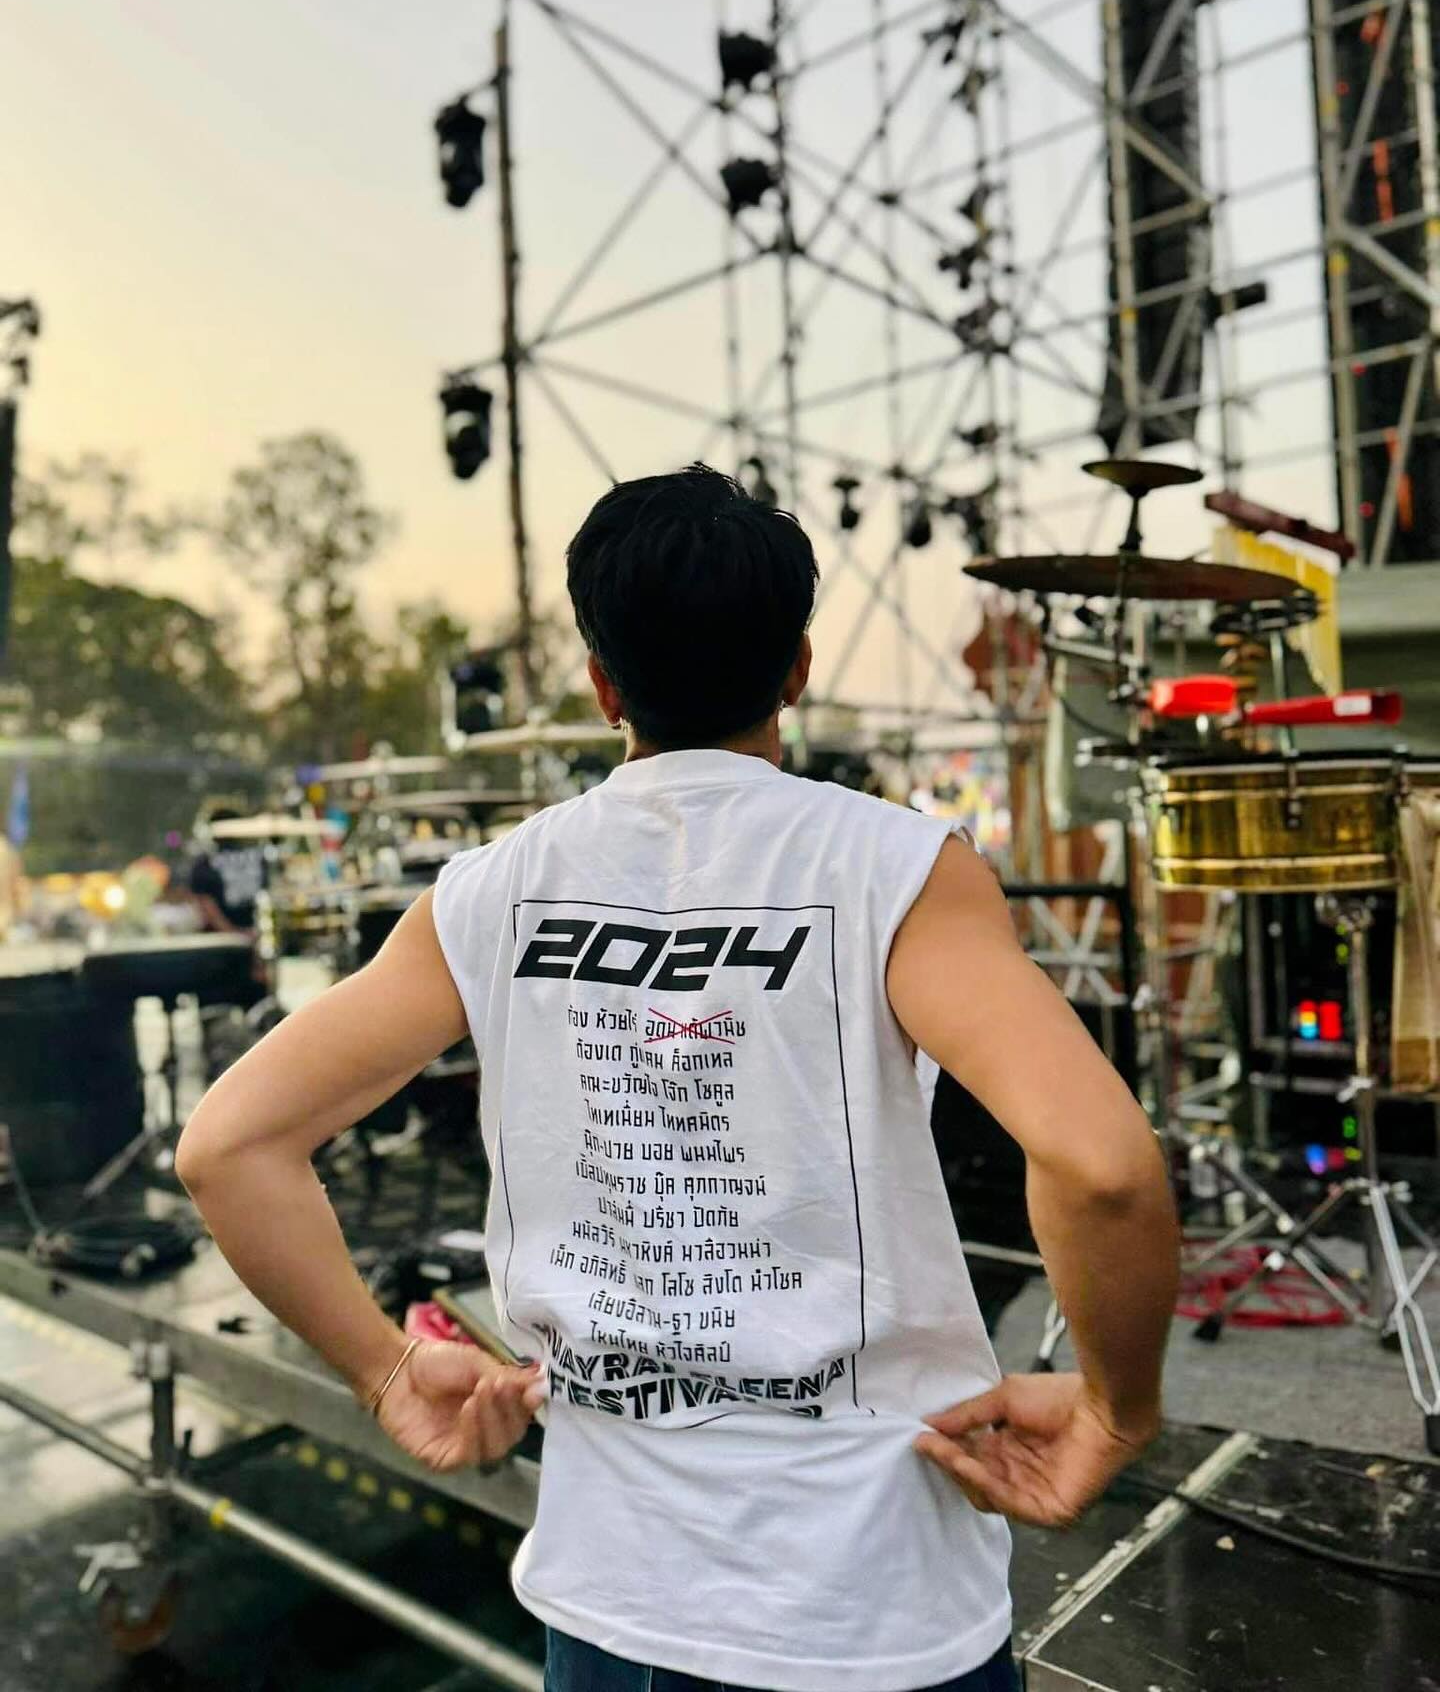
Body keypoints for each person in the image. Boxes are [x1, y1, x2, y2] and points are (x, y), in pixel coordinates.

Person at [177, 465, 1178, 1692]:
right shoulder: (896, 867)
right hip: (873, 1606)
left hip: (614, 1607)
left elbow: (228, 1148)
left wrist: (385, 1372)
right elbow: (1103, 1169)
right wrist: (1118, 1409)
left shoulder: (489, 892)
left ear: (604, 685)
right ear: (797, 668)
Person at [187, 807, 264, 935]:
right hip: (255, 932)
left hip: (224, 938)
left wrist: (233, 933)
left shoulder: (205, 863)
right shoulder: (261, 858)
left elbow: (205, 903)